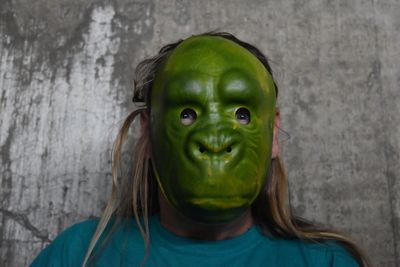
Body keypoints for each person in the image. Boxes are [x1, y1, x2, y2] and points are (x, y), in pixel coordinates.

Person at [31, 32, 369, 267]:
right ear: (148, 133)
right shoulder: (79, 254)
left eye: (242, 114)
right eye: (188, 114)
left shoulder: (325, 261)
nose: (215, 139)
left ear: (273, 133)